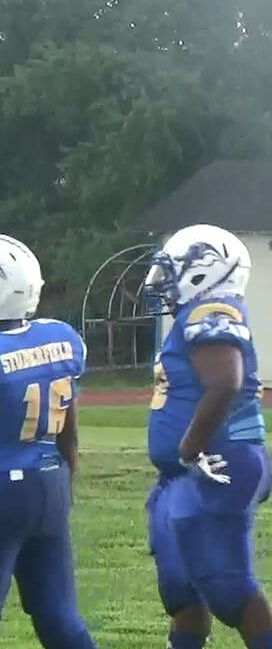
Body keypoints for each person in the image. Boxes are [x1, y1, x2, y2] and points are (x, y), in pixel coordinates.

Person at [141, 224, 272, 649]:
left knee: (228, 587)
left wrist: (189, 448)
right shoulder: (193, 314)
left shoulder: (213, 310)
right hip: (182, 472)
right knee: (180, 588)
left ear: (205, 270)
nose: (163, 283)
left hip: (218, 461)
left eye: (172, 271)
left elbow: (225, 381)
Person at [0, 234, 96, 648]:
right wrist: (67, 475)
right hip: (49, 482)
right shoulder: (59, 337)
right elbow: (67, 423)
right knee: (58, 615)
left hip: (4, 486)